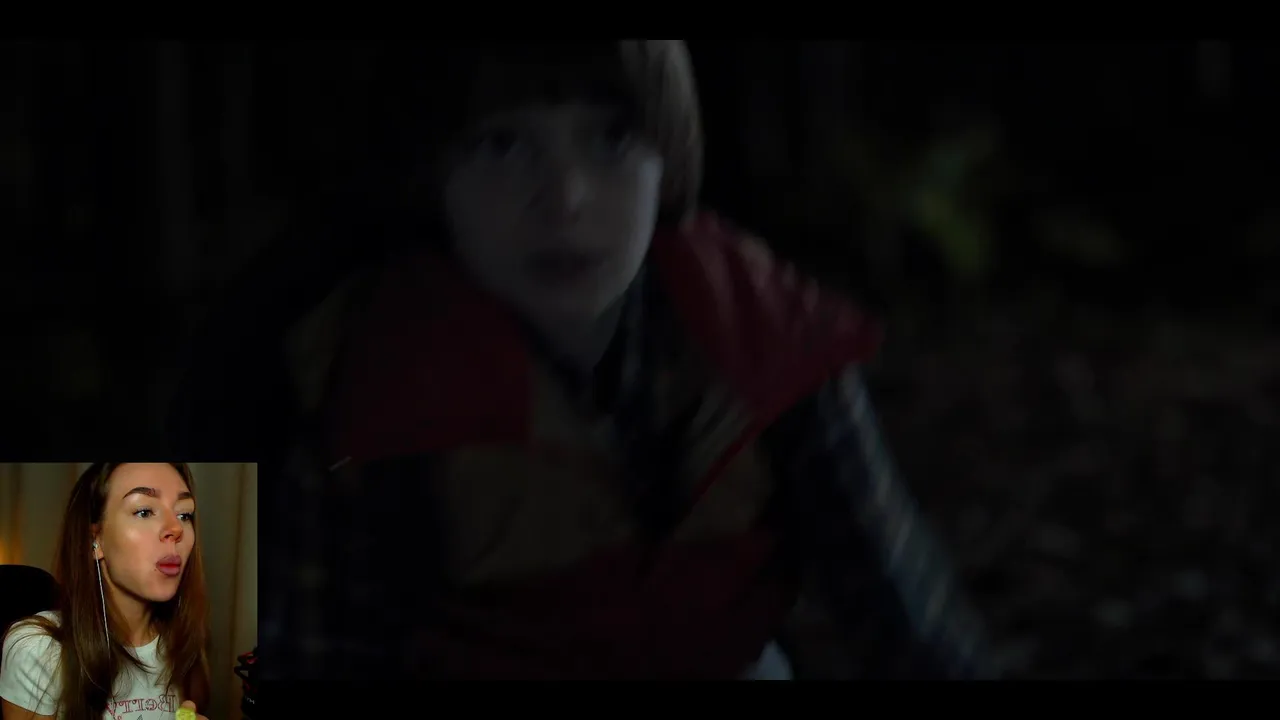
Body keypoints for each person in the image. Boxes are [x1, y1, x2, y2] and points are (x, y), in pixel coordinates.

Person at [173, 41, 994, 681]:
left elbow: (911, 626)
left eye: (611, 139)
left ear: (668, 157)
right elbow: (314, 663)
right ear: (435, 173)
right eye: (503, 145)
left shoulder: (769, 338)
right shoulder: (363, 378)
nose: (564, 199)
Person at [0, 464, 211, 719]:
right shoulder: (38, 650)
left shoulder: (182, 640)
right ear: (95, 540)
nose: (176, 529)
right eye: (144, 511)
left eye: (184, 514)